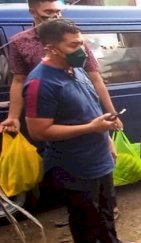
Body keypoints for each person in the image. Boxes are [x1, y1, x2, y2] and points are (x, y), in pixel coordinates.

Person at [23, 19, 141, 243]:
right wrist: (91, 128)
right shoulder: (39, 83)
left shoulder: (75, 70)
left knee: (106, 205)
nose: (82, 48)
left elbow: (90, 109)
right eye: (74, 44)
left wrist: (107, 139)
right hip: (72, 163)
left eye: (82, 41)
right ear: (51, 47)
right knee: (83, 214)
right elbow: (38, 131)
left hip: (98, 155)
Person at [0, 0, 122, 220]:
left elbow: (94, 78)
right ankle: (82, 215)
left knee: (102, 167)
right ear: (33, 11)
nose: (55, 15)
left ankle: (106, 216)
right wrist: (13, 117)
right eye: (48, 12)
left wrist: (110, 114)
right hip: (49, 113)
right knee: (70, 171)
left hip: (80, 108)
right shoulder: (21, 43)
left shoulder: (73, 40)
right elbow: (18, 81)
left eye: (58, 11)